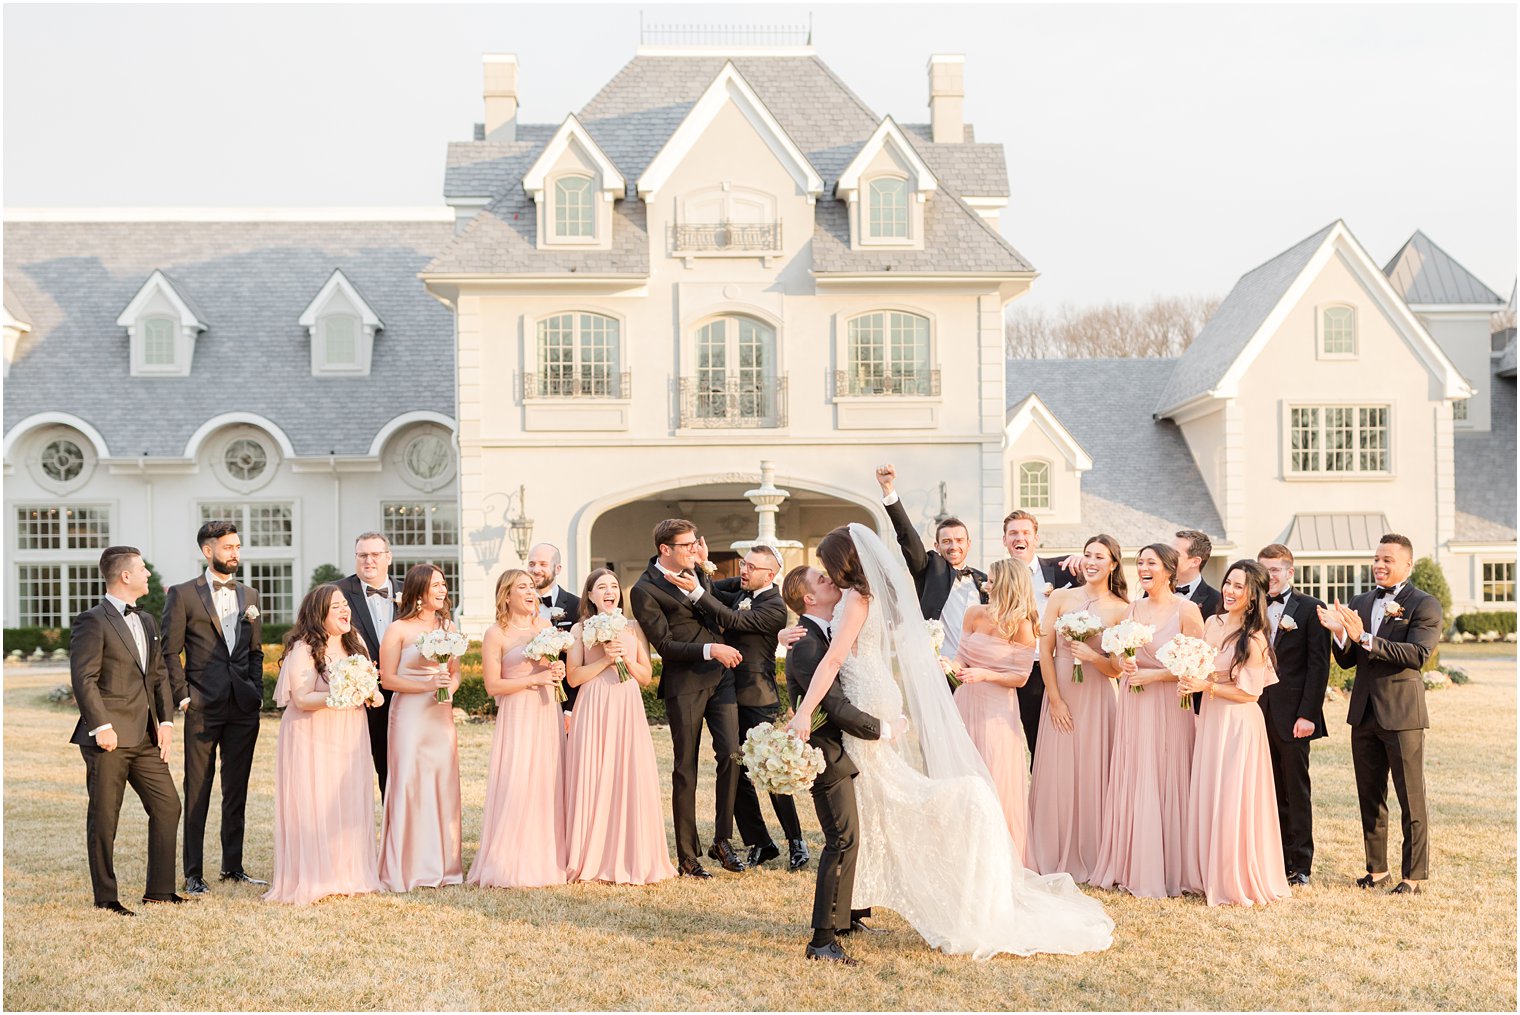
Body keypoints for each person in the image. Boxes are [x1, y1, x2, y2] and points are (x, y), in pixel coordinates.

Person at [786, 525, 1113, 959]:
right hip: (875, 698)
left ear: (840, 564)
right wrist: (786, 637)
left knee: (880, 803)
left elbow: (831, 661)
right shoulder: (862, 599)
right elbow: (818, 644)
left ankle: (846, 914)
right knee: (870, 805)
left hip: (867, 706)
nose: (825, 574)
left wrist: (804, 713)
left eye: (827, 567)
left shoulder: (855, 600)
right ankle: (847, 910)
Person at [1317, 533, 1441, 896]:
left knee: (1410, 797)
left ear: (1407, 564)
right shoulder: (1360, 601)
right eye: (1376, 558)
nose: (1379, 565)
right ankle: (1377, 870)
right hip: (1364, 713)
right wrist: (1341, 634)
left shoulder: (1424, 604)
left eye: (1388, 559)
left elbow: (1417, 655)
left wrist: (1365, 637)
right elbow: (1348, 659)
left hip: (1402, 714)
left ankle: (1413, 877)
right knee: (1369, 795)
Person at [69, 546, 184, 914]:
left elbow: (158, 675)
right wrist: (101, 725)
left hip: (146, 737)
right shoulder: (93, 620)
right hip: (108, 738)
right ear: (124, 576)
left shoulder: (147, 620)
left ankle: (160, 891)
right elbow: (83, 678)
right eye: (142, 569)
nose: (148, 574)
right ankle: (106, 897)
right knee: (105, 818)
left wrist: (165, 722)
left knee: (168, 806)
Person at [628, 519, 745, 878]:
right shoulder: (643, 590)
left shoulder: (697, 572)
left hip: (721, 679)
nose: (695, 549)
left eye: (696, 543)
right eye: (687, 545)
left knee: (732, 755)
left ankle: (722, 840)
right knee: (686, 768)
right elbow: (664, 645)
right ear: (665, 549)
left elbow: (715, 615)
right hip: (685, 683)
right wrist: (712, 649)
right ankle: (687, 855)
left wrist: (702, 583)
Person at [781, 564, 885, 965]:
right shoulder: (807, 645)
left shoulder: (822, 633)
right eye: (822, 580)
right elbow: (835, 707)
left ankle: (843, 921)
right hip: (825, 758)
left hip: (840, 756)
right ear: (809, 598)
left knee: (850, 839)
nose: (831, 581)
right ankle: (821, 940)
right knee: (840, 840)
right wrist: (883, 729)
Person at [1089, 543, 1203, 899]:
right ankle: (1131, 862)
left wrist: (1153, 678)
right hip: (1135, 706)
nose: (1142, 568)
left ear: (1169, 569)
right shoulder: (1132, 609)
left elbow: (1196, 665)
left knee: (1168, 774)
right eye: (1139, 563)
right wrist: (1123, 664)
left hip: (1171, 705)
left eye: (1150, 563)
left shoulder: (1188, 611)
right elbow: (1116, 658)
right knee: (1137, 774)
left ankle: (1171, 866)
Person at [160, 519, 266, 895]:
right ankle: (193, 873)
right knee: (198, 789)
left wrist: (257, 692)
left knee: (236, 789)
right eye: (228, 547)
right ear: (208, 551)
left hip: (243, 707)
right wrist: (183, 695)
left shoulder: (250, 596)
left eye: (238, 546)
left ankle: (232, 867)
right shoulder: (184, 594)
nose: (235, 552)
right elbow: (169, 651)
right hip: (202, 705)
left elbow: (255, 651)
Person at [1178, 561, 1291, 907]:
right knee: (1211, 790)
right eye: (1228, 583)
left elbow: (1249, 693)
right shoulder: (1211, 623)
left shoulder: (1254, 637)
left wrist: (1205, 685)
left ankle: (1234, 875)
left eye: (1239, 587)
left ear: (1253, 595)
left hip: (1239, 723)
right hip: (1211, 718)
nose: (1229, 591)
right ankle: (1205, 871)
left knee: (1233, 796)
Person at [263, 585, 385, 905]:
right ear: (319, 614)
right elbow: (302, 698)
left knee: (347, 798)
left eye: (346, 604)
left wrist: (371, 694)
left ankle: (350, 872)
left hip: (350, 732)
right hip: (311, 733)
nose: (345, 610)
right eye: (336, 607)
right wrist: (342, 695)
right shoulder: (303, 649)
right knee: (315, 800)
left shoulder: (356, 644)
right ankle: (316, 876)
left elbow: (374, 689)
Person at [691, 543, 808, 871]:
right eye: (744, 564)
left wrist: (704, 594)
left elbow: (731, 619)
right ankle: (760, 841)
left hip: (760, 697)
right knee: (735, 768)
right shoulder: (739, 588)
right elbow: (712, 590)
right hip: (726, 695)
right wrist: (703, 566)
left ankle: (796, 842)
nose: (744, 570)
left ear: (770, 575)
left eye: (753, 567)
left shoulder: (775, 606)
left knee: (772, 770)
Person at [563, 568, 676, 885]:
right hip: (594, 705)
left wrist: (623, 660)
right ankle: (590, 855)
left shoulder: (633, 627)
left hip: (627, 706)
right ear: (590, 595)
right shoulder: (579, 628)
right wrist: (605, 659)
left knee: (628, 774)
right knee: (594, 775)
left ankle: (630, 853)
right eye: (601, 586)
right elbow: (574, 678)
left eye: (613, 586)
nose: (609, 591)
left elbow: (645, 677)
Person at [1027, 534, 1128, 883]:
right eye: (1087, 555)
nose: (1091, 561)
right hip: (1062, 693)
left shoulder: (1121, 608)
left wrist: (1094, 657)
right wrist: (1054, 699)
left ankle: (1095, 850)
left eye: (1099, 556)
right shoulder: (1060, 597)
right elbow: (1046, 651)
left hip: (1100, 698)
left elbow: (1117, 668)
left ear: (1113, 563)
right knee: (1059, 770)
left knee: (1095, 769)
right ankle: (1052, 850)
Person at [467, 569, 568, 888]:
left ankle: (546, 856)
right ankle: (511, 860)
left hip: (545, 711)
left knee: (545, 779)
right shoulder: (496, 633)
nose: (530, 591)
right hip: (517, 715)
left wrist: (557, 669)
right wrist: (533, 679)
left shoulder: (544, 626)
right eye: (521, 586)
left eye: (531, 586)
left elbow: (552, 671)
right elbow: (493, 685)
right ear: (506, 595)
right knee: (517, 780)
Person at [377, 563, 464, 892]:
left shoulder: (449, 626)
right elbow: (388, 679)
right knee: (410, 783)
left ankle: (445, 865)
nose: (442, 590)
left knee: (443, 783)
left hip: (440, 714)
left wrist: (449, 688)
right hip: (410, 715)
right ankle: (406, 867)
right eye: (435, 585)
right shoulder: (398, 630)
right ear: (418, 591)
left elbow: (454, 672)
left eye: (444, 584)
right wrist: (428, 688)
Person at [949, 559, 1039, 861]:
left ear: (1006, 582)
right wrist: (949, 665)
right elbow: (961, 656)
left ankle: (998, 854)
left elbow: (1021, 677)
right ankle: (964, 848)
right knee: (964, 774)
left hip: (998, 709)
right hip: (965, 701)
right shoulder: (974, 613)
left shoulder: (1023, 626)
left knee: (994, 776)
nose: (987, 578)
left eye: (993, 575)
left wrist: (985, 674)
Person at [1256, 543, 1331, 885]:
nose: (1269, 576)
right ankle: (1271, 858)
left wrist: (1308, 715)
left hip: (1294, 717)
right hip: (1255, 712)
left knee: (1295, 791)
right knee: (1265, 789)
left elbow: (1318, 668)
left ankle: (1300, 864)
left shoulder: (1310, 609)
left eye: (1275, 569)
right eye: (1264, 569)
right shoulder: (1249, 608)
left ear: (1290, 572)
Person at [875, 464, 987, 658]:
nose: (953, 546)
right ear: (937, 546)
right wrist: (888, 490)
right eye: (946, 541)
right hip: (940, 668)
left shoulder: (984, 580)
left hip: (979, 667)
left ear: (969, 544)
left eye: (959, 540)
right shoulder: (929, 569)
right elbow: (907, 535)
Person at [1001, 510, 1082, 760]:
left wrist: (1084, 560)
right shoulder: (996, 577)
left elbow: (1096, 586)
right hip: (1020, 668)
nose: (1019, 537)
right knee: (1033, 741)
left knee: (1069, 733)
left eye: (1026, 532)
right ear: (1004, 540)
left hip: (1060, 665)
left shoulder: (1062, 570)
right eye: (1013, 533)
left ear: (1036, 539)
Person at [336, 531, 399, 792]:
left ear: (389, 558)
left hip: (406, 696)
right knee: (353, 773)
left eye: (375, 554)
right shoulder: (337, 592)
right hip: (360, 699)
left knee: (401, 770)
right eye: (362, 555)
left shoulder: (410, 591)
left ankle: (397, 828)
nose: (368, 561)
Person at [526, 542, 581, 713]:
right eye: (531, 564)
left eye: (543, 564)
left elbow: (581, 663)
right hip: (526, 695)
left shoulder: (576, 606)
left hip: (561, 699)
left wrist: (570, 710)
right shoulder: (515, 606)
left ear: (557, 569)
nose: (536, 570)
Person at [1172, 529, 1223, 619]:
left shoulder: (1216, 601)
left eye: (1175, 554)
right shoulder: (1155, 589)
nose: (1167, 557)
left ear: (1195, 562)